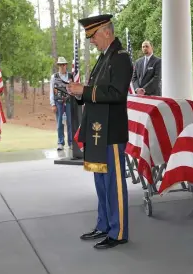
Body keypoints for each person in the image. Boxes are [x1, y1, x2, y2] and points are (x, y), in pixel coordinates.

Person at [66, 14, 133, 249]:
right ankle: (104, 224)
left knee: (113, 183)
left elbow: (117, 94)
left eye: (93, 35)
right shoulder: (105, 58)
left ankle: (119, 232)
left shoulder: (121, 58)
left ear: (106, 32)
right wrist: (78, 92)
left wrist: (85, 90)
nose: (91, 41)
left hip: (111, 132)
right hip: (96, 130)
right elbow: (94, 91)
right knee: (101, 181)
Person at [49, 57, 74, 150]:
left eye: (63, 64)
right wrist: (52, 104)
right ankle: (60, 142)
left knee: (70, 123)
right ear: (58, 66)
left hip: (69, 102)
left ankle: (71, 142)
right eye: (60, 65)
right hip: (58, 103)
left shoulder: (71, 76)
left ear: (66, 65)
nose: (62, 66)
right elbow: (51, 91)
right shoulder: (54, 77)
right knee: (60, 123)